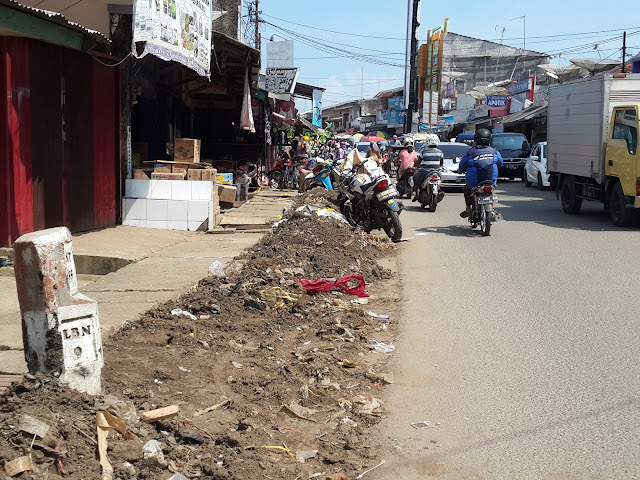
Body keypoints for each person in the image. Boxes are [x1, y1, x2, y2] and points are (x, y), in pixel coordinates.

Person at [458, 128, 503, 217]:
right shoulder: (494, 152)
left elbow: (461, 167)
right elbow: (500, 164)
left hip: (473, 183)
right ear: (489, 140)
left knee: (466, 190)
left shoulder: (470, 152)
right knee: (491, 191)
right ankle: (493, 208)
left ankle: (468, 209)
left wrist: (461, 171)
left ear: (476, 140)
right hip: (490, 181)